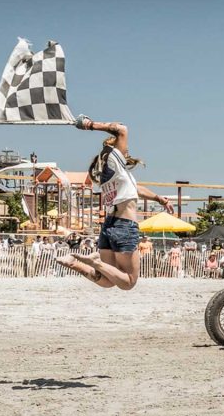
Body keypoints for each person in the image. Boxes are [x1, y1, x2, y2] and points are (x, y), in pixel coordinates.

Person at [56, 115, 174, 289]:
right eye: (125, 150)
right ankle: (94, 262)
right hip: (124, 226)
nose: (127, 151)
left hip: (109, 225)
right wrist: (89, 125)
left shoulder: (112, 174)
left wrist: (158, 198)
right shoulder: (114, 160)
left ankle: (74, 263)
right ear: (116, 150)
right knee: (128, 282)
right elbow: (122, 129)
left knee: (108, 281)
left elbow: (136, 189)